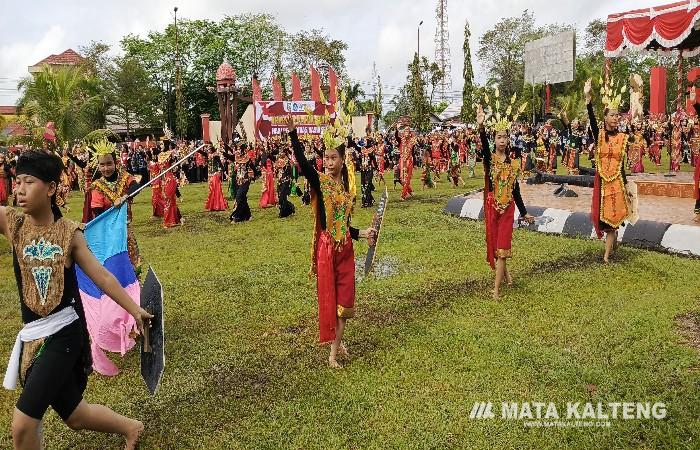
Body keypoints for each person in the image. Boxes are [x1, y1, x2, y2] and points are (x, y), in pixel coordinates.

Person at [0, 150, 151, 450]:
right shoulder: (12, 224)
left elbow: (103, 277)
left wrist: (135, 310)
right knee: (74, 414)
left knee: (23, 424)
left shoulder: (70, 234)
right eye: (18, 182)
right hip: (32, 337)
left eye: (29, 182)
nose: (19, 190)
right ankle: (130, 427)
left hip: (64, 334)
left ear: (52, 188)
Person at [286, 115, 376, 368]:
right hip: (327, 249)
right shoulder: (320, 182)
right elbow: (303, 165)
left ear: (342, 159)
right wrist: (294, 135)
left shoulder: (348, 187)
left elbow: (344, 224)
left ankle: (337, 345)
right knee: (331, 299)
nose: (328, 163)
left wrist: (362, 233)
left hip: (345, 248)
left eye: (333, 158)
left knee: (345, 301)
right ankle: (334, 353)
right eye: (325, 158)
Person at [476, 104, 533, 299]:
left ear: (509, 140)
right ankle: (508, 278)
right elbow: (483, 146)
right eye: (499, 137)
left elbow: (516, 191)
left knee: (502, 248)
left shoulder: (513, 164)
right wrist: (481, 127)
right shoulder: (490, 160)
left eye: (505, 137)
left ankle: (496, 289)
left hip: (508, 210)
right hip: (492, 207)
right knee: (495, 247)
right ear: (494, 139)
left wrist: (524, 212)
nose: (502, 140)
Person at [585, 78, 632, 263]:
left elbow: (621, 166)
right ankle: (611, 246)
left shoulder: (622, 138)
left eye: (617, 115)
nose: (615, 118)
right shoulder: (600, 135)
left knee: (615, 219)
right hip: (603, 183)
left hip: (617, 183)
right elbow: (591, 118)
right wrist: (588, 98)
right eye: (612, 115)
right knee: (607, 221)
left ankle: (606, 256)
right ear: (605, 117)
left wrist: (626, 185)